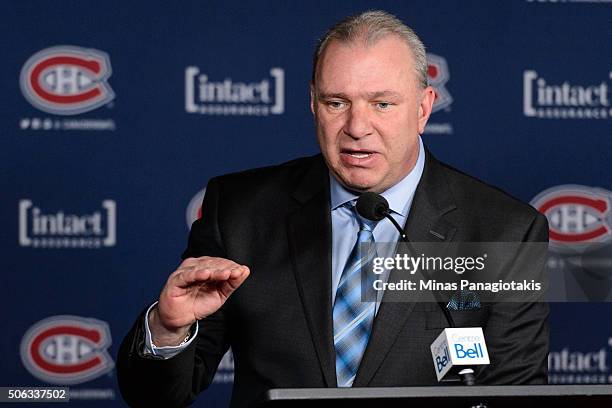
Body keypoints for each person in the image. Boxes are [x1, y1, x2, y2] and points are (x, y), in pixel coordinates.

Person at [117, 10, 549, 408]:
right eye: (336, 102)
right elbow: (155, 398)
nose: (357, 128)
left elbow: (515, 396)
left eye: (382, 103)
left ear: (423, 108)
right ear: (313, 103)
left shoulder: (507, 231)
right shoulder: (241, 211)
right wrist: (169, 331)